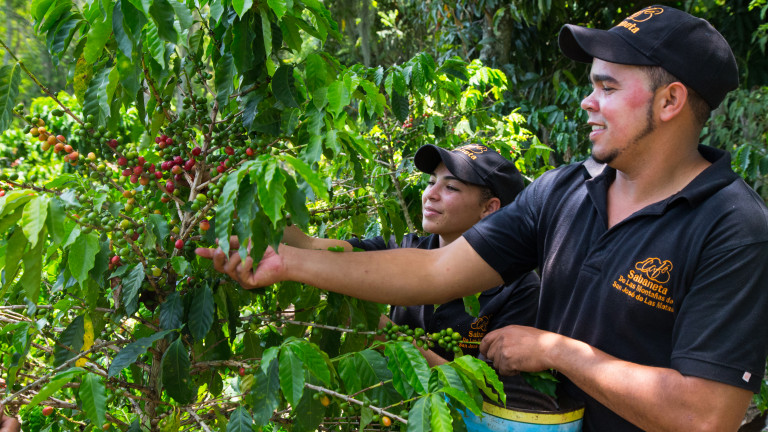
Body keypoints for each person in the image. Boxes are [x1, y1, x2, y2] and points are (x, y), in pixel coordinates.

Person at [197, 5, 768, 431]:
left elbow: (705, 416)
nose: (586, 102)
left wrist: (557, 350)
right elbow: (434, 271)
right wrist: (289, 261)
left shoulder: (733, 227)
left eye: (607, 87)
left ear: (670, 102)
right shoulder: (564, 191)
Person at [282, 143, 540, 365]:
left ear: (489, 208)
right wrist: (266, 215)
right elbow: (312, 247)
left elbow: (486, 393)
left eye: (451, 187)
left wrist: (382, 330)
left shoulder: (520, 289)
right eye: (431, 182)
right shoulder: (403, 248)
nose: (430, 195)